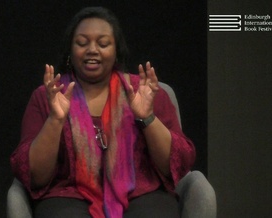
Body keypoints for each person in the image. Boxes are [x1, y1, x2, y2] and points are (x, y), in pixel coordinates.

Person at [10, 6, 196, 218]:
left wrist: (146, 117)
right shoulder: (46, 97)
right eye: (82, 43)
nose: (92, 50)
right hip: (69, 196)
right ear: (70, 51)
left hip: (141, 192)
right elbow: (34, 176)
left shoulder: (145, 92)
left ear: (116, 50)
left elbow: (177, 164)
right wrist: (55, 119)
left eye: (103, 43)